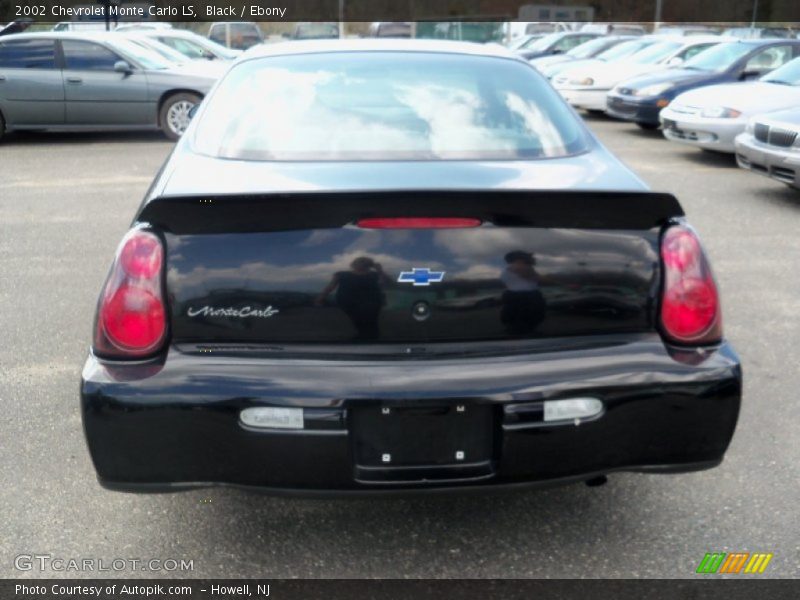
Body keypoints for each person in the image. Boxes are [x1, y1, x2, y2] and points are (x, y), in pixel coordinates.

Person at [316, 257, 389, 341]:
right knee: (359, 321)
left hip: (371, 303)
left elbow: (388, 283)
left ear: (369, 264)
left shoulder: (374, 274)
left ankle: (369, 339)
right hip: (349, 304)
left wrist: (380, 270)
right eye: (359, 261)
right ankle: (366, 337)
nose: (361, 263)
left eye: (364, 261)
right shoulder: (341, 274)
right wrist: (321, 297)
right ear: (353, 264)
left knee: (371, 322)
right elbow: (330, 287)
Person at [500, 250, 547, 335]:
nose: (533, 259)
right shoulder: (520, 267)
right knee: (527, 319)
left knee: (518, 321)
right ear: (520, 259)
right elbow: (536, 278)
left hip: (516, 296)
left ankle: (518, 332)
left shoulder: (510, 269)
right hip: (525, 297)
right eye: (529, 257)